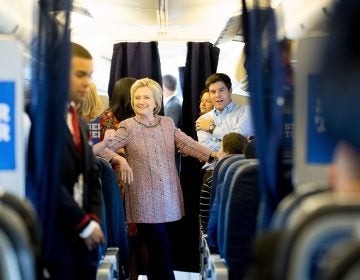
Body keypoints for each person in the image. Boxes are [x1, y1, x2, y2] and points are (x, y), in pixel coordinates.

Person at [99, 77, 217, 279]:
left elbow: (188, 144)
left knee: (157, 252)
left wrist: (215, 155)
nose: (141, 101)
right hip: (143, 198)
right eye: (137, 97)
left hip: (167, 196)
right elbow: (103, 150)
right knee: (160, 248)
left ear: (156, 102)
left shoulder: (167, 123)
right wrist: (120, 159)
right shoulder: (127, 126)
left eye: (146, 97)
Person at [45, 42, 104, 280]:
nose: (87, 82)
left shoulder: (78, 122)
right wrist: (83, 223)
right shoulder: (41, 118)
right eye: (80, 74)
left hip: (82, 236)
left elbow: (91, 174)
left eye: (89, 75)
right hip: (57, 234)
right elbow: (47, 180)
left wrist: (94, 218)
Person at [195, 73, 253, 183]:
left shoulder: (247, 111)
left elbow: (238, 139)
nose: (217, 95)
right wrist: (237, 144)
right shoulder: (203, 119)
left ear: (230, 90)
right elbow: (205, 147)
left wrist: (212, 128)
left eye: (221, 90)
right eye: (213, 92)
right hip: (212, 173)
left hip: (240, 170)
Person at [199, 132, 248, 233]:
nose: (218, 152)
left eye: (220, 148)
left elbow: (206, 223)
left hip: (220, 240)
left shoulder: (212, 181)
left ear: (227, 152)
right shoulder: (256, 177)